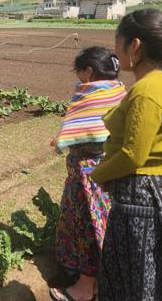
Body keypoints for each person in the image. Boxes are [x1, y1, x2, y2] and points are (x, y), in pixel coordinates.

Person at [91, 9, 162, 300]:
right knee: (156, 271)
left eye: (117, 44)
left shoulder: (147, 91)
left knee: (136, 277)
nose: (115, 53)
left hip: (144, 194)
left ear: (134, 46)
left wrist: (98, 176)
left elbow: (132, 155)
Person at [49, 46, 126, 301]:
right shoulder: (120, 92)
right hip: (114, 172)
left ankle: (83, 289)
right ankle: (97, 284)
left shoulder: (90, 95)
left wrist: (66, 138)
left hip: (90, 178)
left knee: (87, 228)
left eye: (80, 71)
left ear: (89, 70)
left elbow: (82, 131)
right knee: (105, 226)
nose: (79, 78)